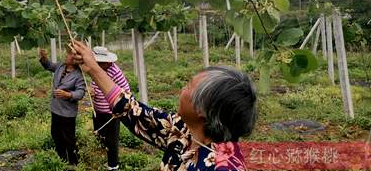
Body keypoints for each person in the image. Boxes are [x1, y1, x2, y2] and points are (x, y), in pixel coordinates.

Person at [72, 40, 255, 171]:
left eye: (189, 86)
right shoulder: (182, 131)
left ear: (203, 110)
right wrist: (93, 69)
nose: (182, 90)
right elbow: (132, 109)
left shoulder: (225, 167)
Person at [39, 47, 86, 165]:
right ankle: (62, 159)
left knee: (69, 139)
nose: (66, 56)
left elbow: (80, 93)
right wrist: (44, 58)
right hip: (55, 109)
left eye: (69, 54)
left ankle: (74, 163)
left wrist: (68, 94)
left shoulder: (79, 75)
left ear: (75, 59)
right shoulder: (61, 66)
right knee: (56, 135)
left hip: (67, 113)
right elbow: (49, 66)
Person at [90, 46, 131, 171]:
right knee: (100, 136)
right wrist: (93, 92)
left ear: (107, 62)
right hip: (97, 110)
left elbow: (126, 91)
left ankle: (113, 166)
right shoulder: (97, 69)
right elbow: (94, 85)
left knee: (111, 141)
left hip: (110, 114)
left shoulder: (115, 72)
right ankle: (104, 160)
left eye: (99, 62)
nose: (97, 64)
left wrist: (117, 109)